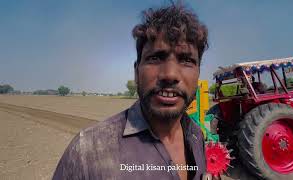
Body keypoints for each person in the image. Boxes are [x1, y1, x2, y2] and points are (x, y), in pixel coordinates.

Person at [52, 3, 210, 180]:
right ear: (136, 72)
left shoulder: (196, 137)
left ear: (198, 74)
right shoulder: (87, 152)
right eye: (156, 58)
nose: (170, 74)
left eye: (186, 60)